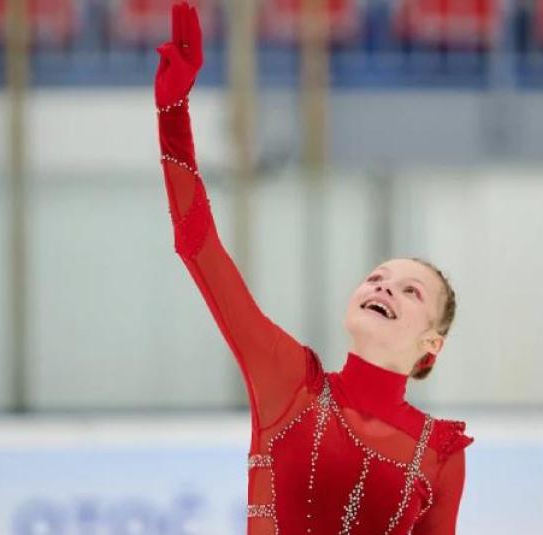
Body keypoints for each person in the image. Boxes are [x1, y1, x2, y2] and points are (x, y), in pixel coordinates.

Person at [154, 3, 473, 533]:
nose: (384, 288)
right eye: (376, 278)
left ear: (431, 345)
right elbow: (198, 246)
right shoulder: (289, 383)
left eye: (411, 291)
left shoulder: (440, 453)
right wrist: (173, 116)